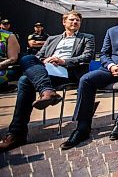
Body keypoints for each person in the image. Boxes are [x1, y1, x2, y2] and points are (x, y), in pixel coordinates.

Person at [0, 10, 95, 152]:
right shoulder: (52, 39)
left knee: (25, 80)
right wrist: (45, 60)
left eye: (77, 20)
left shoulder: (87, 38)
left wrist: (62, 60)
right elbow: (38, 56)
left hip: (66, 71)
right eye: (72, 20)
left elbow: (87, 57)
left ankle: (17, 132)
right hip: (46, 69)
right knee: (27, 59)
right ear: (64, 22)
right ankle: (47, 91)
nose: (75, 22)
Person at [61, 4, 118, 150]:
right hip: (111, 68)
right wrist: (111, 66)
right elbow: (104, 54)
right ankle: (82, 128)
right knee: (86, 80)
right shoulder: (111, 31)